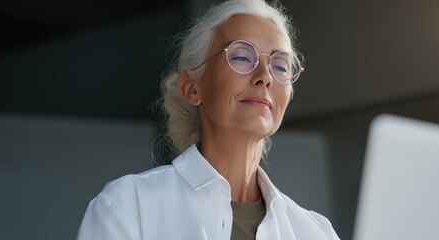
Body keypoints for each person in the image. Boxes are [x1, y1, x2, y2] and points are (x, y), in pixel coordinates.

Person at [77, 0, 339, 239]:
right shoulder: (129, 206)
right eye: (241, 57)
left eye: (280, 66)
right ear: (193, 88)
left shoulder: (315, 232)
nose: (265, 76)